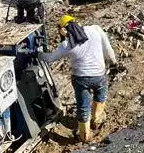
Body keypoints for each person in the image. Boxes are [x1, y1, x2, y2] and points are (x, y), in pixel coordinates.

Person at [43, 14, 117, 142]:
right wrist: (113, 62)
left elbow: (50, 58)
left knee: (83, 106)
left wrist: (37, 54)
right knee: (100, 96)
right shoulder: (95, 29)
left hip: (80, 79)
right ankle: (97, 119)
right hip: (99, 75)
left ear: (63, 29)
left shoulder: (66, 45)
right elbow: (108, 50)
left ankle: (84, 135)